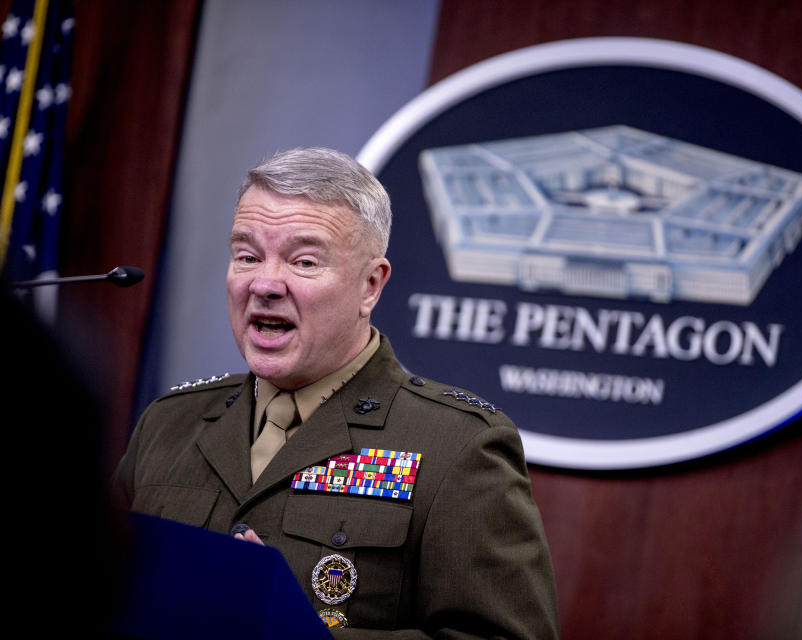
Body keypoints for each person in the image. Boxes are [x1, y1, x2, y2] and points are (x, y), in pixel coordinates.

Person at [114, 147, 559, 638]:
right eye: (247, 256)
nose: (265, 283)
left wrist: (287, 627)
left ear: (370, 285)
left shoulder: (457, 445)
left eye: (304, 261)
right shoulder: (168, 421)